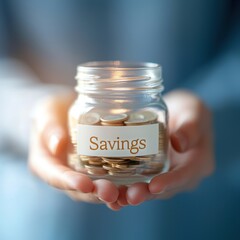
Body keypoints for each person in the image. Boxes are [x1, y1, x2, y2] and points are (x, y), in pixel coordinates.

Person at [0, 1, 239, 239]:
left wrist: (213, 111)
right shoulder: (79, 111)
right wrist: (30, 111)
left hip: (200, 215)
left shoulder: (158, 113)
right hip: (43, 216)